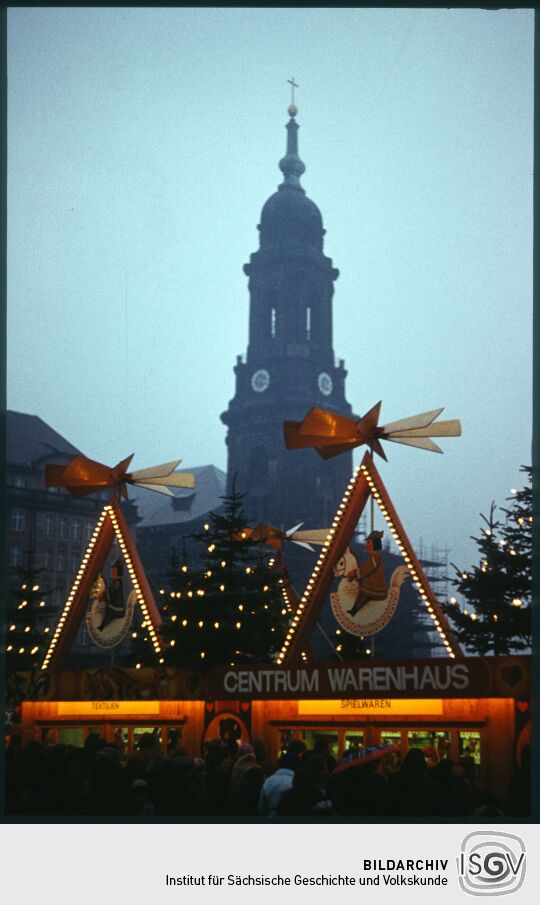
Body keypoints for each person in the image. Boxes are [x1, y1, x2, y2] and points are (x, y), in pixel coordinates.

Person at [346, 530, 387, 616]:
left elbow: (368, 568)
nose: (365, 545)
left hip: (376, 587)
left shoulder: (376, 557)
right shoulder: (374, 557)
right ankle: (354, 610)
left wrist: (355, 573)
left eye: (368, 543)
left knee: (364, 593)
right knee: (362, 593)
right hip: (372, 584)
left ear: (374, 545)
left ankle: (354, 610)